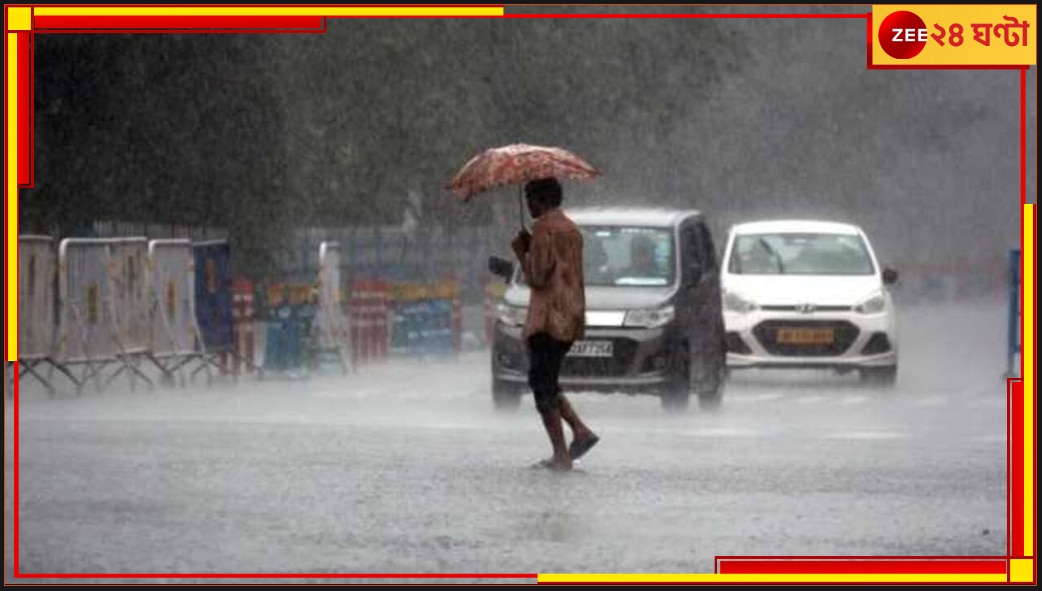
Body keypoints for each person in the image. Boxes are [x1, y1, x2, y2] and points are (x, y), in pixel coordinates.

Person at [511, 177, 600, 471]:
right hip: (571, 314)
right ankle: (578, 432)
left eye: (530, 199)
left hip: (547, 319)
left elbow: (536, 277)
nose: (528, 205)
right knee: (547, 380)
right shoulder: (572, 230)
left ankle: (562, 453)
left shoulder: (543, 229)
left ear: (541, 199)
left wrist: (521, 252)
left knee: (541, 386)